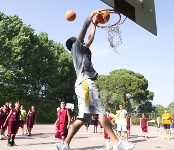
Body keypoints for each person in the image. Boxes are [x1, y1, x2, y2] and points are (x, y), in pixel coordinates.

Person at [56, 10, 135, 150]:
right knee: (101, 112)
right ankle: (117, 143)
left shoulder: (82, 50)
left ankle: (64, 144)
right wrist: (91, 15)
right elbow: (84, 28)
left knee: (82, 118)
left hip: (82, 84)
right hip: (86, 83)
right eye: (76, 38)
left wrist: (96, 24)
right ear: (73, 43)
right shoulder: (75, 47)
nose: (78, 38)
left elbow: (90, 38)